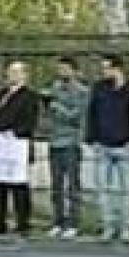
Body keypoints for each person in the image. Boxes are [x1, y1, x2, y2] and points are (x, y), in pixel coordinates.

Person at [86, 54, 129, 244]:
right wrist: (92, 138)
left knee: (127, 189)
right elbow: (92, 112)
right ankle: (108, 225)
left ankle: (126, 226)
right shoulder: (99, 88)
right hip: (103, 144)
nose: (104, 72)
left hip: (125, 144)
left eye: (107, 68)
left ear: (118, 68)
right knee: (103, 189)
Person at [0, 62, 40, 240]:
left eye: (16, 72)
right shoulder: (2, 93)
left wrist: (14, 133)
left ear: (25, 75)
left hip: (17, 145)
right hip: (0, 146)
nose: (12, 76)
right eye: (10, 72)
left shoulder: (30, 96)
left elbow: (30, 121)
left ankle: (23, 223)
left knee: (19, 186)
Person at [45, 56, 89, 240]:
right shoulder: (53, 88)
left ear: (73, 70)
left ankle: (73, 223)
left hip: (70, 142)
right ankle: (58, 221)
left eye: (64, 69)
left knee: (72, 185)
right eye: (59, 69)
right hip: (54, 140)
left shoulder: (81, 92)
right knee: (56, 185)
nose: (61, 72)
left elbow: (77, 116)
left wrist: (58, 107)